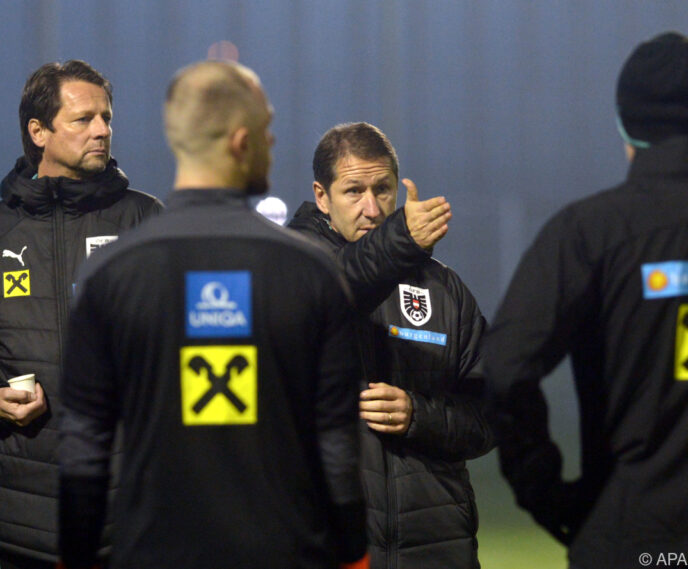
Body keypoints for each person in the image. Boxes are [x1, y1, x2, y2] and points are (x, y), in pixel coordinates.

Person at [57, 61, 368, 569]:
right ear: (242, 142)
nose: (273, 143)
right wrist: (354, 556)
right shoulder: (312, 271)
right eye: (268, 130)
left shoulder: (110, 274)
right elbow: (336, 445)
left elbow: (84, 448)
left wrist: (75, 557)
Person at [0, 60, 162, 569]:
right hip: (21, 523)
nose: (102, 130)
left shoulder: (147, 222)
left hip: (133, 519)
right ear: (39, 131)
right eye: (83, 119)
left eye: (107, 117)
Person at [481, 32, 688, 569]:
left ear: (625, 124)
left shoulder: (591, 233)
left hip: (634, 536)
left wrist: (551, 497)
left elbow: (506, 367)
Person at [288, 122, 493, 569]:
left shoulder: (445, 290)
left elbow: (492, 413)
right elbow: (333, 290)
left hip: (437, 547)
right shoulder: (291, 269)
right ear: (321, 197)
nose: (372, 208)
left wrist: (420, 416)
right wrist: (400, 242)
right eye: (353, 191)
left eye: (383, 189)